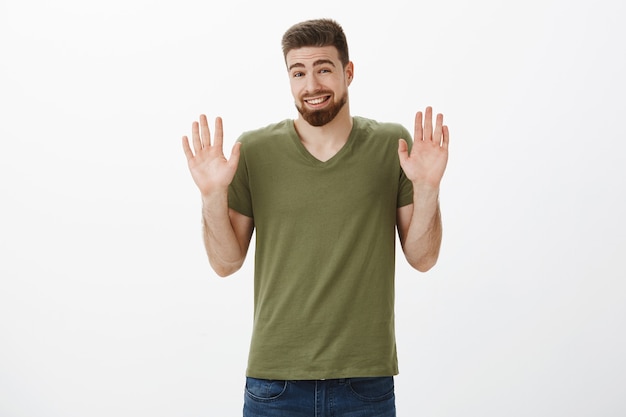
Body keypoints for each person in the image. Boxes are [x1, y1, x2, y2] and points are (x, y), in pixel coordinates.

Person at [182, 18, 449, 417]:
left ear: (348, 72)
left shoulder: (392, 148)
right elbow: (225, 263)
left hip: (366, 382)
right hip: (275, 384)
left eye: (324, 68)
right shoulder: (253, 151)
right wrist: (211, 196)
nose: (312, 86)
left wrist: (427, 189)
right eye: (298, 72)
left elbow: (423, 258)